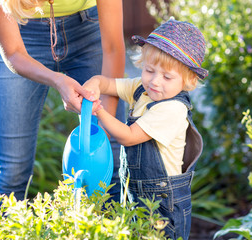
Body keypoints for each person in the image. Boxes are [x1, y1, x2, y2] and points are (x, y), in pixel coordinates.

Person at [0, 0, 126, 201]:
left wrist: (102, 138)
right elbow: (13, 53)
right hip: (22, 36)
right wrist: (57, 81)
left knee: (113, 163)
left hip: (88, 30)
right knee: (12, 173)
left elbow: (113, 48)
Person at [83, 19, 207, 240]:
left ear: (188, 80)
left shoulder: (172, 108)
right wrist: (95, 83)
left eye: (167, 77)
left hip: (162, 203)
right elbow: (110, 84)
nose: (155, 82)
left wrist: (99, 110)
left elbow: (128, 137)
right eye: (149, 70)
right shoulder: (143, 89)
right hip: (135, 193)